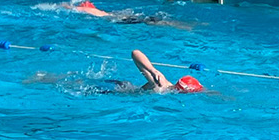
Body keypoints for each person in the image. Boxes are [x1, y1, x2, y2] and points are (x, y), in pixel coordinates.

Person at [25, 48, 205, 95]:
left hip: (123, 87)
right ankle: (44, 78)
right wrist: (151, 69)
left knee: (79, 82)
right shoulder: (160, 83)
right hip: (116, 90)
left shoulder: (165, 86)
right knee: (76, 85)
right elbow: (135, 53)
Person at [66, 0, 190, 28]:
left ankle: (180, 25)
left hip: (119, 19)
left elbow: (66, 7)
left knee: (149, 22)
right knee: (150, 20)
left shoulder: (87, 10)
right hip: (122, 16)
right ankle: (180, 24)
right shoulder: (100, 11)